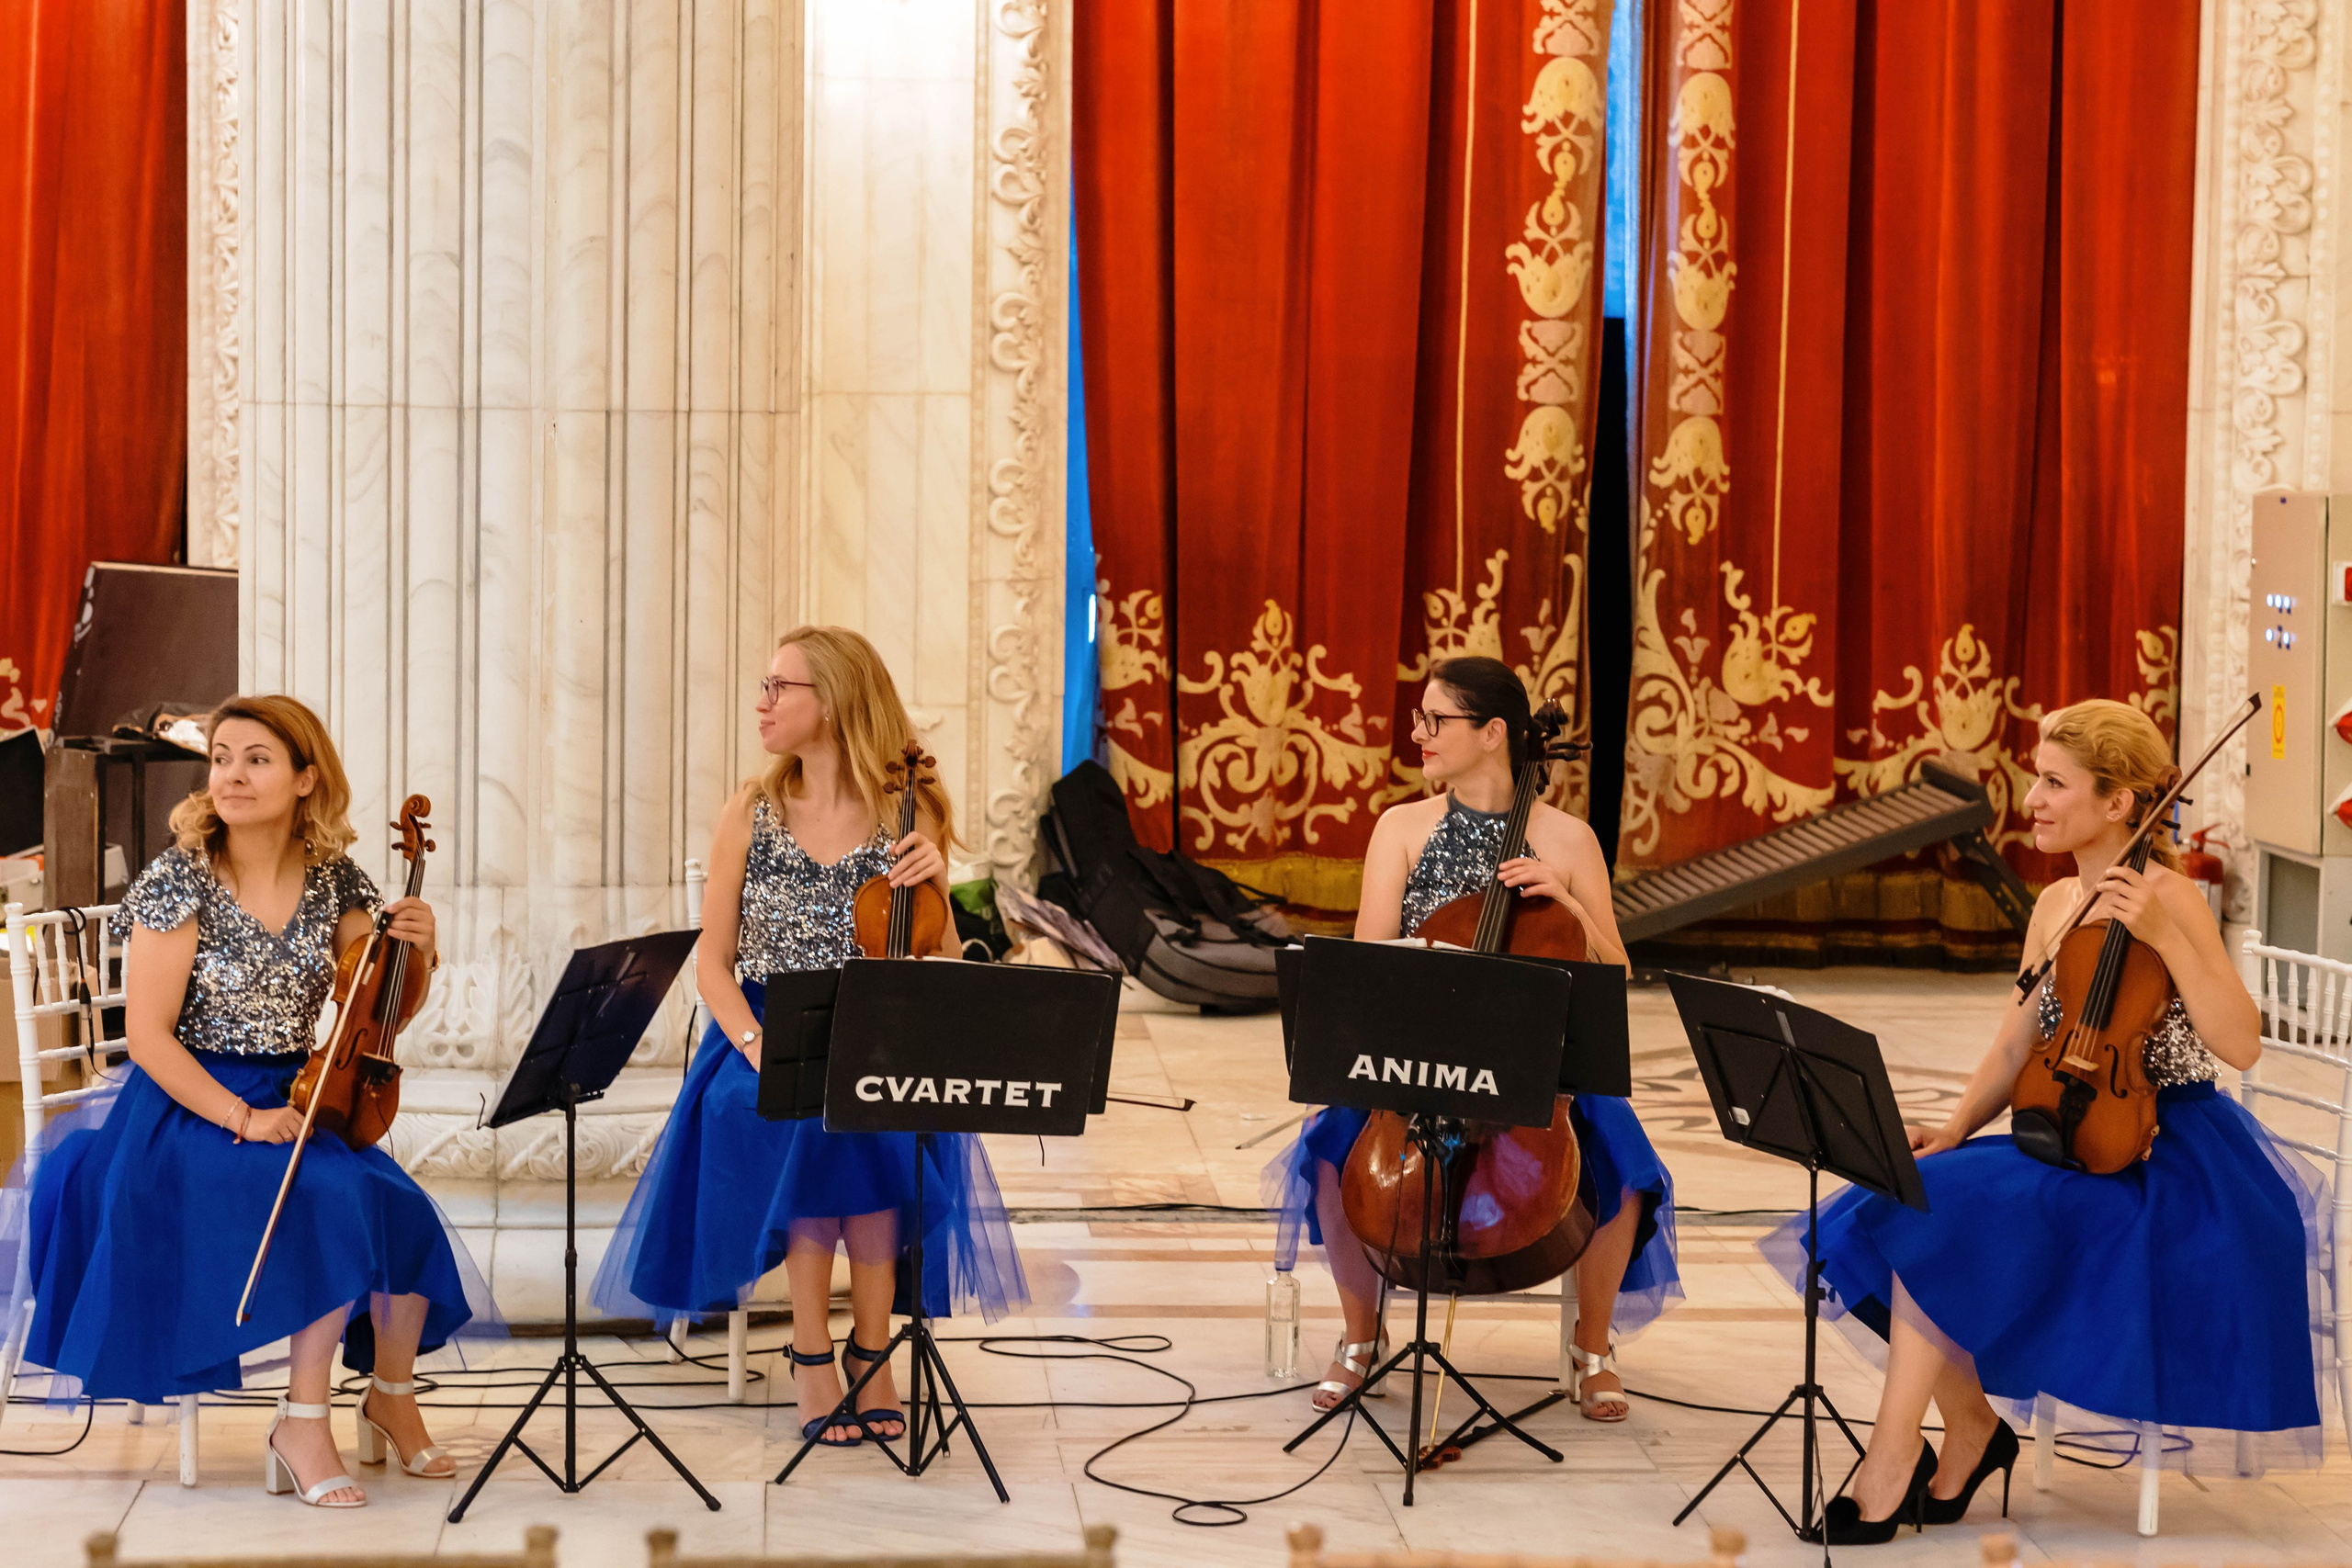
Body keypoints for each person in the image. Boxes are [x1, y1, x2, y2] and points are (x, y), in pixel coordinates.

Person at [1761, 699, 2326, 1544]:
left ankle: (1892, 1465)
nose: (2032, 797)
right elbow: (2014, 1044)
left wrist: (2167, 939)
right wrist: (1954, 1128)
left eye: (2055, 782)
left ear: (2118, 802)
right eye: (2036, 777)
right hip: (2066, 1132)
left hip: (2169, 1158)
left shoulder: (2174, 900)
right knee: (1903, 1193)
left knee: (1939, 1218)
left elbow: (2241, 1043)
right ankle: (1966, 1431)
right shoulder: (2057, 901)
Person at [7, 695, 497, 1507]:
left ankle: (390, 1395)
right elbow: (152, 1040)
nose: (231, 774)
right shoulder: (179, 879)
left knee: (400, 1207)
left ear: (307, 778)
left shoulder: (337, 879)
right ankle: (303, 1420)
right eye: (223, 756)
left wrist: (419, 948)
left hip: (297, 1091)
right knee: (332, 1193)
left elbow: (378, 1011)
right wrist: (242, 1116)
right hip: (186, 1108)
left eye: (257, 758)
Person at [593, 626, 1027, 1450]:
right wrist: (759, 1045)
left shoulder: (912, 809)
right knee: (803, 1109)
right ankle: (817, 1352)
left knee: (859, 1113)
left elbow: (939, 963)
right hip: (761, 1030)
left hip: (878, 1032)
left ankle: (868, 1348)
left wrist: (939, 884)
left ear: (833, 702)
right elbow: (712, 964)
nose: (760, 703)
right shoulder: (749, 811)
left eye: (778, 687)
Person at [1264, 657, 1680, 1418]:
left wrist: (1567, 904)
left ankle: (1594, 1347)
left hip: (1540, 1067)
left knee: (1624, 1159)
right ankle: (1361, 1337)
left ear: (1493, 734)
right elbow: (1368, 961)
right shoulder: (1401, 827)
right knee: (1327, 1146)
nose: (1417, 734)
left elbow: (1615, 970)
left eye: (1435, 720)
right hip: (1414, 1055)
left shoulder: (1569, 838)